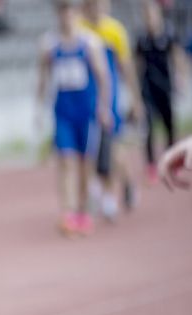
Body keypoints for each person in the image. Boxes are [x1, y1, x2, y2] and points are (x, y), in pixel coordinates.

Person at [37, 0, 111, 237]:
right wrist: (38, 110)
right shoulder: (49, 45)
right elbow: (43, 79)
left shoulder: (90, 43)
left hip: (86, 114)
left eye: (70, 10)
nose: (66, 16)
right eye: (62, 11)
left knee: (84, 166)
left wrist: (104, 107)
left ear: (77, 13)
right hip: (63, 114)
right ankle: (67, 213)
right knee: (66, 161)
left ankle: (82, 211)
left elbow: (103, 78)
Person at [79, 0, 145, 218]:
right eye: (93, 4)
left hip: (110, 99)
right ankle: (98, 190)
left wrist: (136, 100)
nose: (98, 8)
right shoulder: (80, 29)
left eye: (101, 4)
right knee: (90, 151)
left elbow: (126, 68)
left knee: (113, 149)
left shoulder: (115, 31)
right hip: (85, 99)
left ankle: (124, 184)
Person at [135, 0, 186, 184]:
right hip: (147, 90)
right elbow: (136, 66)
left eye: (152, 15)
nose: (150, 19)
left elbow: (178, 56)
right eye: (146, 16)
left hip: (165, 88)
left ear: (158, 16)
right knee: (148, 128)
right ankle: (150, 166)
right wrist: (135, 96)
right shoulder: (141, 39)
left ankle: (172, 162)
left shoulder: (168, 33)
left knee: (169, 126)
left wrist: (182, 77)